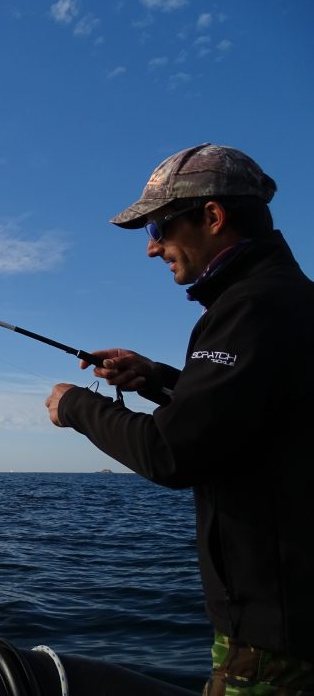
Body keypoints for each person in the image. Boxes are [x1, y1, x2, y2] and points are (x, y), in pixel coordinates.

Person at [45, 143, 314, 695]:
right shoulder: (288, 301)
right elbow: (247, 414)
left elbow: (173, 453)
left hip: (278, 631)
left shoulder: (249, 308)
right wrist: (159, 378)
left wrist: (75, 405)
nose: (151, 249)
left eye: (160, 228)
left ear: (212, 217)